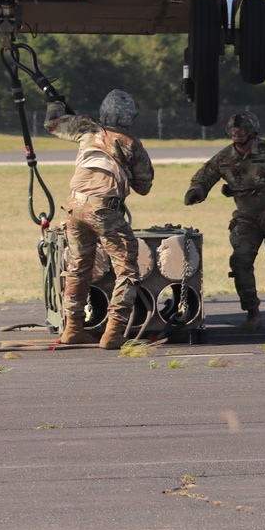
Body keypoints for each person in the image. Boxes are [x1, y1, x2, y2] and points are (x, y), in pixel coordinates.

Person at [44, 89, 154, 349]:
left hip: (75, 206)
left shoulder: (86, 128)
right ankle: (113, 332)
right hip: (105, 210)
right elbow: (144, 186)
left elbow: (52, 123)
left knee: (78, 267)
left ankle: (73, 329)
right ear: (130, 117)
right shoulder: (132, 143)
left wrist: (53, 100)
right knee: (126, 270)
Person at [183, 110, 265, 332]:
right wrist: (196, 191)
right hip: (247, 219)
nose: (237, 135)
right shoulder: (224, 158)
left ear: (253, 132)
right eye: (233, 131)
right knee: (240, 262)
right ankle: (252, 312)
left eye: (242, 131)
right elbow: (203, 177)